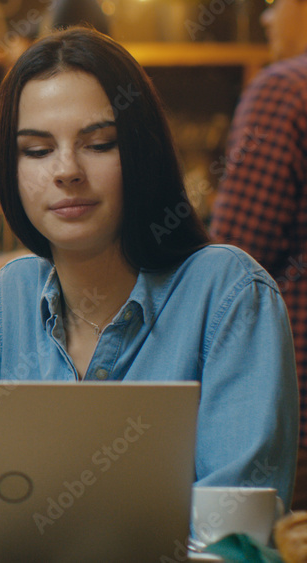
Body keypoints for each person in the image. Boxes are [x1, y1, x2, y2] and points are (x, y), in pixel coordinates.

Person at [0, 28, 298, 506]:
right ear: (10, 167)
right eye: (37, 150)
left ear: (141, 150)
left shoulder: (227, 292)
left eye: (99, 143)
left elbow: (230, 532)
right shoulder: (11, 296)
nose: (66, 170)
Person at [208, 0, 307, 509]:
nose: (266, 18)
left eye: (276, 3)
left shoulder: (283, 90)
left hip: (293, 399)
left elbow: (230, 266)